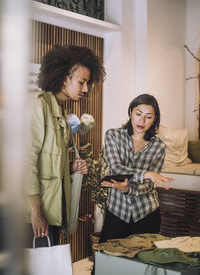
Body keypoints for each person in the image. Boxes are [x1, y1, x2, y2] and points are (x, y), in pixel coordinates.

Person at [25, 45, 105, 247]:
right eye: (82, 82)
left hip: (53, 209)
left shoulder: (60, 110)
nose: (86, 89)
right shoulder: (39, 105)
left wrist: (71, 168)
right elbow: (26, 161)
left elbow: (49, 162)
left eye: (87, 83)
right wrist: (35, 210)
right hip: (33, 213)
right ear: (63, 78)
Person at [100, 94, 173, 243]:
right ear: (131, 112)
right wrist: (147, 173)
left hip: (146, 213)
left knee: (141, 264)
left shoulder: (159, 147)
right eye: (138, 114)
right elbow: (115, 167)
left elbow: (149, 185)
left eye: (148, 117)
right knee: (106, 262)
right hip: (117, 211)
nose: (141, 121)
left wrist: (128, 190)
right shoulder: (113, 135)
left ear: (154, 120)